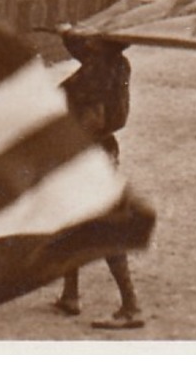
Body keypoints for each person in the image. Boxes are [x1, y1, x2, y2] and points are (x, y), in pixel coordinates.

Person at [51, 30, 144, 330]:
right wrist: (66, 33)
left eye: (95, 36)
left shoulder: (96, 72)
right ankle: (70, 294)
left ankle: (131, 307)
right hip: (101, 151)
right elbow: (80, 47)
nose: (87, 38)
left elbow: (93, 119)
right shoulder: (115, 62)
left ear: (103, 43)